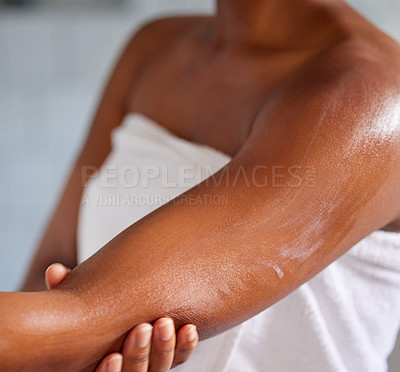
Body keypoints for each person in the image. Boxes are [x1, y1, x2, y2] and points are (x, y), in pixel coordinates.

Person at [2, 0, 400, 371]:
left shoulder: (371, 93)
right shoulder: (154, 48)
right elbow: (52, 263)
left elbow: (83, 319)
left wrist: (64, 343)